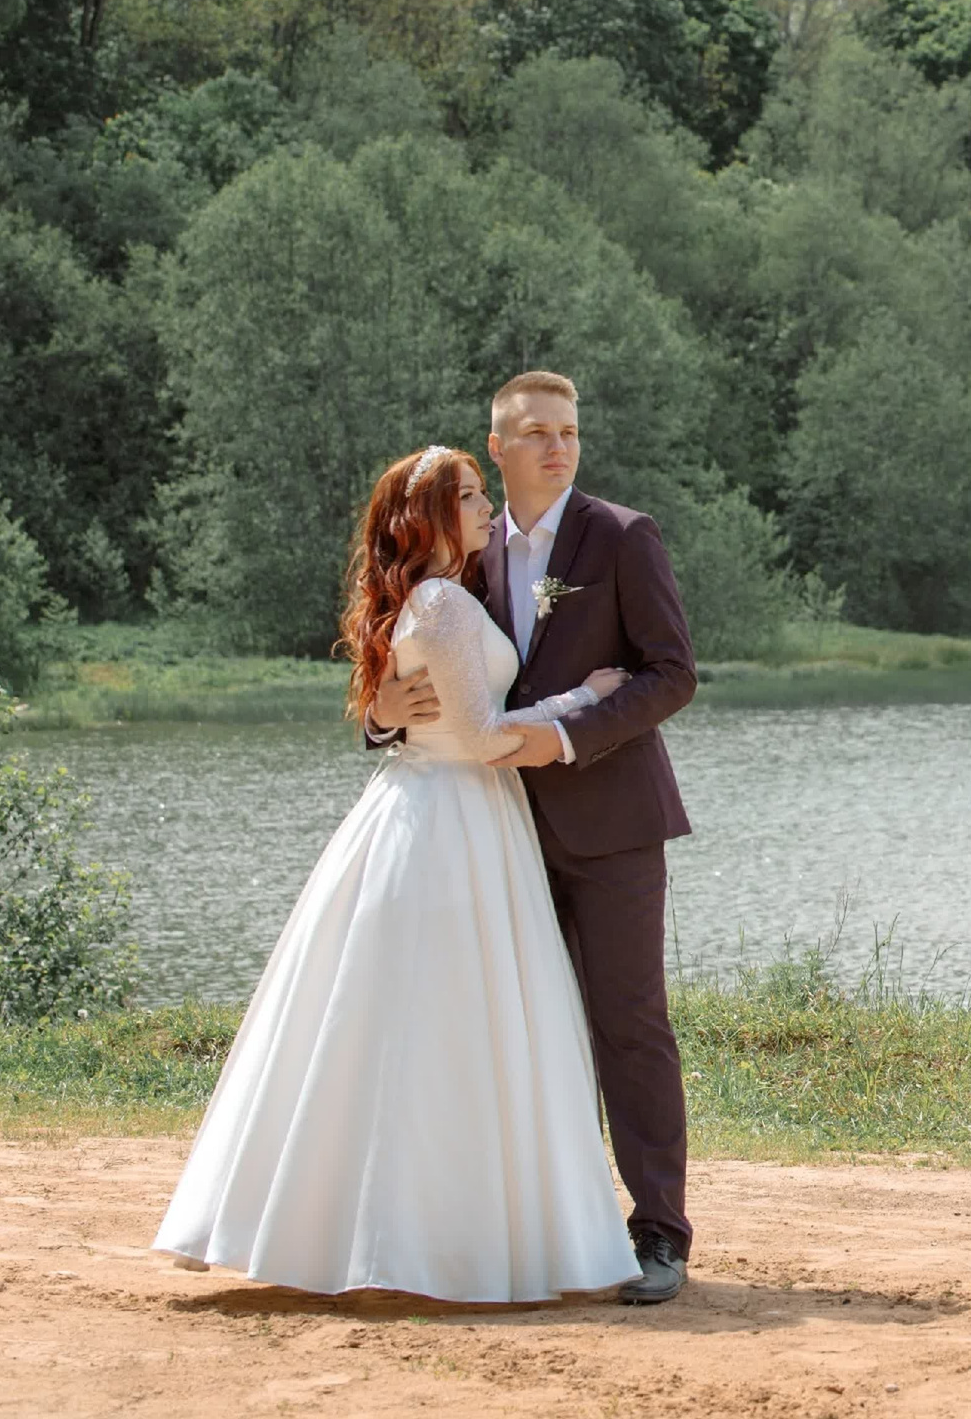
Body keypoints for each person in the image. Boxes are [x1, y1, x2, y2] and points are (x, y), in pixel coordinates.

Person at [152, 445, 642, 1303]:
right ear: (433, 517)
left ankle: (388, 1231)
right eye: (471, 497)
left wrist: (388, 716)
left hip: (452, 808)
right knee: (446, 1025)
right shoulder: (445, 602)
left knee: (403, 1025)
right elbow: (486, 736)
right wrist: (585, 699)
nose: (488, 510)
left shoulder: (445, 595)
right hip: (448, 818)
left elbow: (436, 713)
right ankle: (436, 1242)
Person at [367, 371, 700, 1304]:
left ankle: (659, 1234)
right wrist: (386, 716)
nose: (558, 446)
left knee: (627, 1024)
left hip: (611, 825)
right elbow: (422, 665)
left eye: (570, 432)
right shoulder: (465, 547)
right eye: (537, 433)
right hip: (494, 834)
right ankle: (555, 1227)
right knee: (522, 1031)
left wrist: (565, 735)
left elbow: (671, 674)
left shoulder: (622, 537)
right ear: (499, 444)